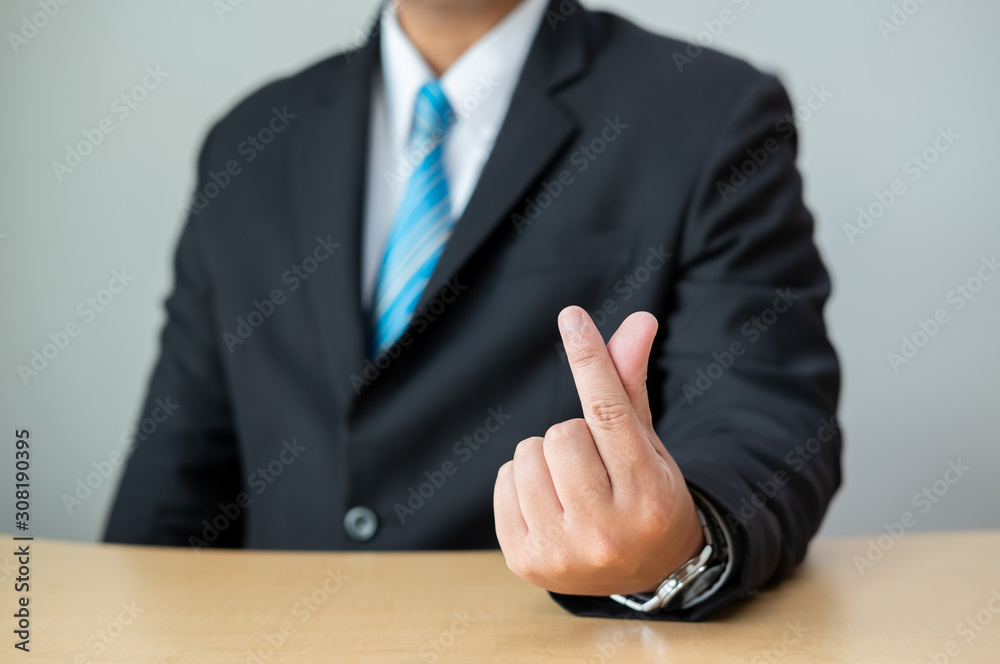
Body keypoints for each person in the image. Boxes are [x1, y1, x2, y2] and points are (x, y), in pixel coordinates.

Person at [105, 0, 842, 622]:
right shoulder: (249, 142)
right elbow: (178, 466)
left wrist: (680, 542)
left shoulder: (705, 110)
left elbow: (759, 406)